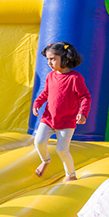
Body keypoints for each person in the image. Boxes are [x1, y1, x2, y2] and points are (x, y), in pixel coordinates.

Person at [32, 41, 90, 182]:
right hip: (49, 118)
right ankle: (45, 160)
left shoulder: (75, 78)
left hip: (67, 121)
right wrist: (37, 103)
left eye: (52, 59)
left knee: (62, 150)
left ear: (65, 58)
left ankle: (71, 175)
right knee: (38, 141)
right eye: (47, 59)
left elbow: (85, 97)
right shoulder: (51, 76)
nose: (49, 63)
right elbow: (45, 92)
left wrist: (82, 112)